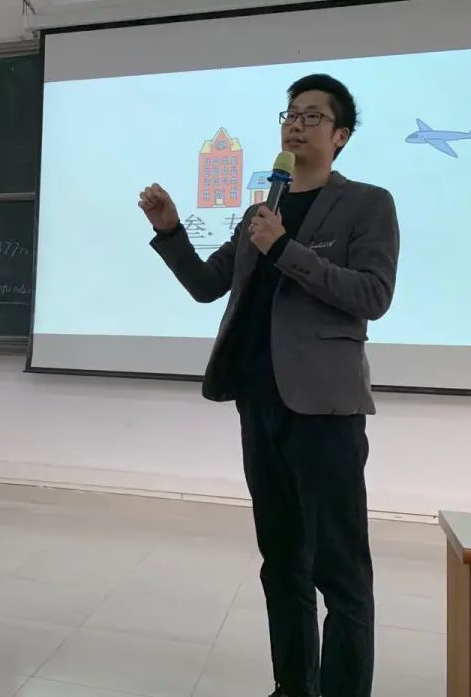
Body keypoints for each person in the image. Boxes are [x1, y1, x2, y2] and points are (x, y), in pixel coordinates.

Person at [139, 74, 400, 697]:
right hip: (260, 404)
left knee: (340, 572)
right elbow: (208, 286)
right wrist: (171, 231)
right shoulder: (262, 211)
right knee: (282, 563)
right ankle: (293, 688)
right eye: (290, 115)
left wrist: (285, 250)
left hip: (325, 409)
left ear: (340, 136)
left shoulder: (367, 203)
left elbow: (373, 295)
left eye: (312, 116)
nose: (297, 124)